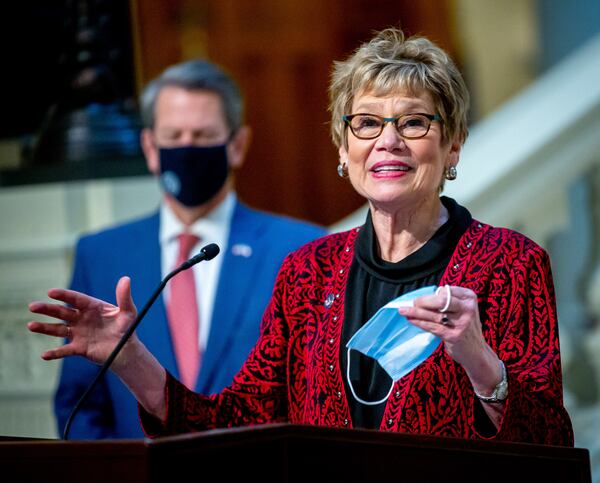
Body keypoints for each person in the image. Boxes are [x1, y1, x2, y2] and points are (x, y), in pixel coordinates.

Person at [30, 27, 573, 445]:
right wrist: (130, 358)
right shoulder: (306, 273)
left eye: (414, 123)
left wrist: (479, 360)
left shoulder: (510, 263)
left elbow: (552, 444)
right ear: (343, 148)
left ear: (452, 145)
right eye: (365, 123)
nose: (388, 141)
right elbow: (233, 426)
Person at [51, 59, 326, 439]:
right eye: (174, 136)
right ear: (150, 147)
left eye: (202, 135)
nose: (187, 147)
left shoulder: (303, 250)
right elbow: (80, 406)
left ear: (238, 145)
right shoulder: (99, 254)